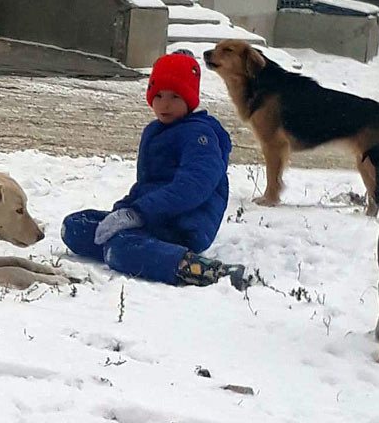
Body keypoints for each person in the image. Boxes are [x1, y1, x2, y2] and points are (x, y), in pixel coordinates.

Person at [61, 51, 248, 290]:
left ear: (190, 99)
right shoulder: (156, 131)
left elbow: (193, 186)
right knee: (76, 225)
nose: (164, 104)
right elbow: (147, 184)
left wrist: (137, 213)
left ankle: (202, 269)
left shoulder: (199, 135)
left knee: (120, 249)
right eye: (158, 95)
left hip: (183, 226)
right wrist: (123, 210)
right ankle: (135, 248)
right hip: (153, 217)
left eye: (174, 96)